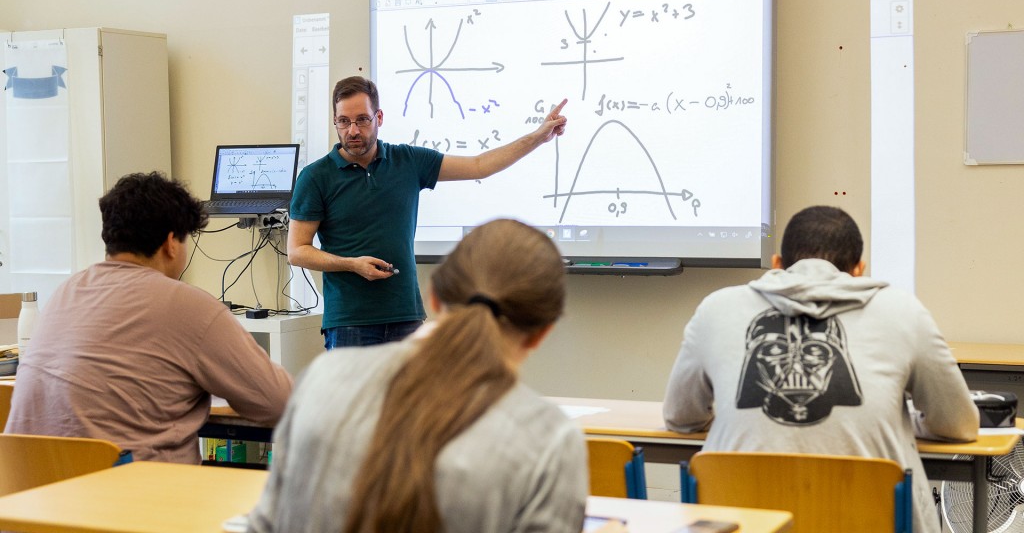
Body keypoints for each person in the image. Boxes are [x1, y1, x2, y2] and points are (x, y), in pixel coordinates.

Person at [248, 219, 587, 533]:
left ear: (434, 297)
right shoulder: (548, 439)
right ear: (542, 332)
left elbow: (267, 523)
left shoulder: (323, 377)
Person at [662, 205, 979, 533]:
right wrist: (894, 421)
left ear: (777, 266)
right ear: (859, 271)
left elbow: (680, 417)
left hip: (744, 524)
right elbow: (958, 425)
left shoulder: (716, 308)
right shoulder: (904, 312)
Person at [5, 172, 293, 464]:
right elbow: (278, 401)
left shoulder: (65, 292)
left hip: (30, 494)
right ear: (171, 243)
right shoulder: (188, 305)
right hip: (126, 495)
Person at [287, 76, 568, 349]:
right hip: (349, 322)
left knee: (414, 399)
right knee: (356, 400)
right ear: (335, 121)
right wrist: (352, 264)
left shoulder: (407, 161)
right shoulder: (315, 177)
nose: (353, 130)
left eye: (362, 119)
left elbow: (480, 165)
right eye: (343, 121)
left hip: (406, 317)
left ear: (379, 118)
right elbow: (297, 251)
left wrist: (537, 137)